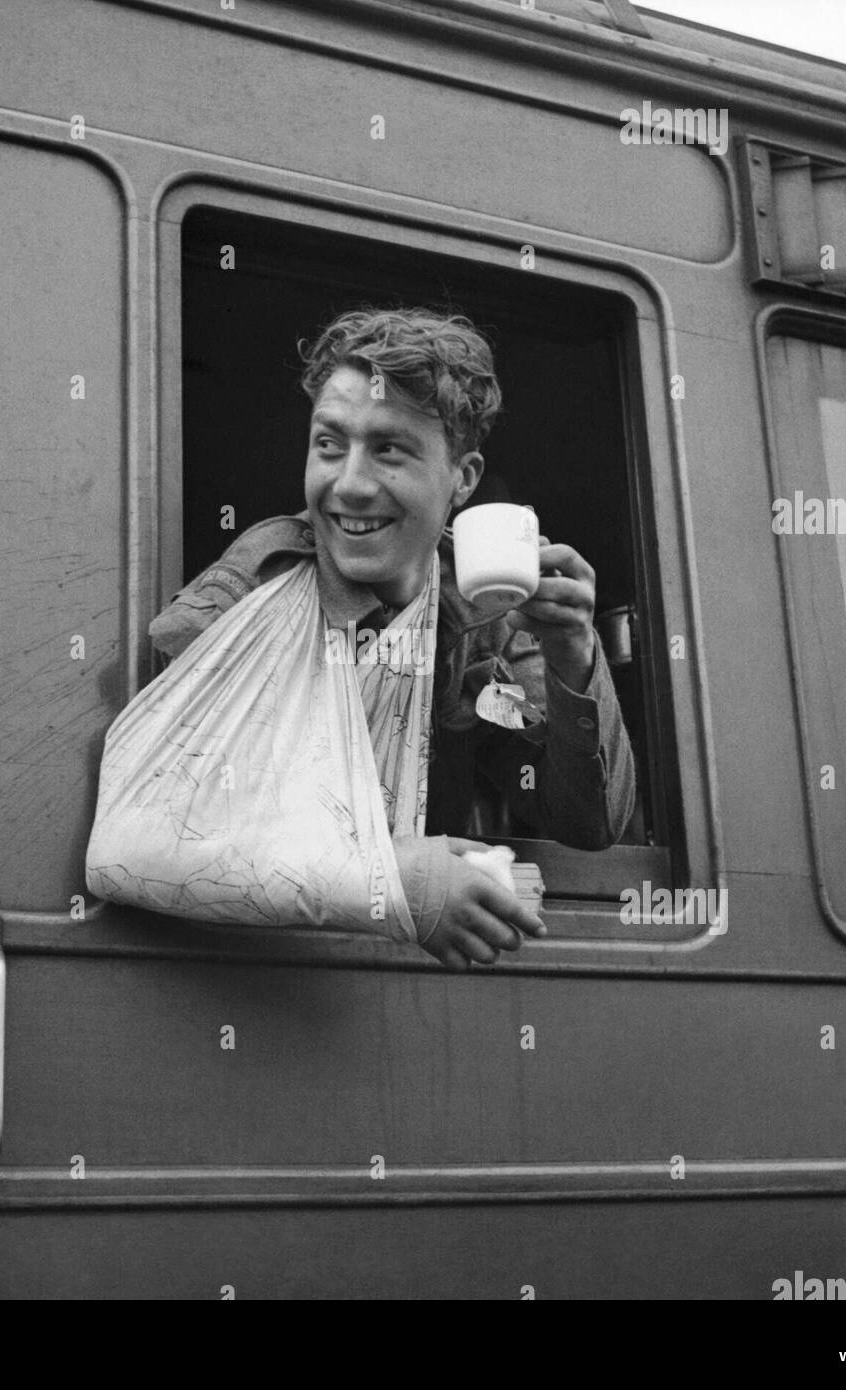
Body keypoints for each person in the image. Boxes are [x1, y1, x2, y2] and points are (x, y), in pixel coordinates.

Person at [147, 307, 636, 969]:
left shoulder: (479, 628)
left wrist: (573, 655)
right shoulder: (255, 590)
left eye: (388, 450)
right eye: (329, 445)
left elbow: (586, 825)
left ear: (462, 478)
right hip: (249, 980)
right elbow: (158, 817)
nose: (348, 484)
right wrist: (387, 876)